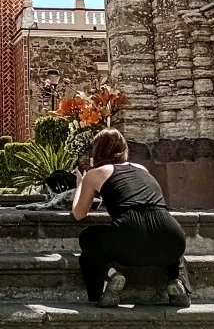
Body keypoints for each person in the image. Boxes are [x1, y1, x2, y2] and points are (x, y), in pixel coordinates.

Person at [71, 129, 192, 308]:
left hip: (130, 238)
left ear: (96, 151)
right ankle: (177, 281)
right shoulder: (141, 168)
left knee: (88, 237)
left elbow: (79, 214)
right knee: (170, 239)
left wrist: (80, 186)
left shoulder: (95, 173)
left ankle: (111, 276)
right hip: (171, 236)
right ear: (124, 149)